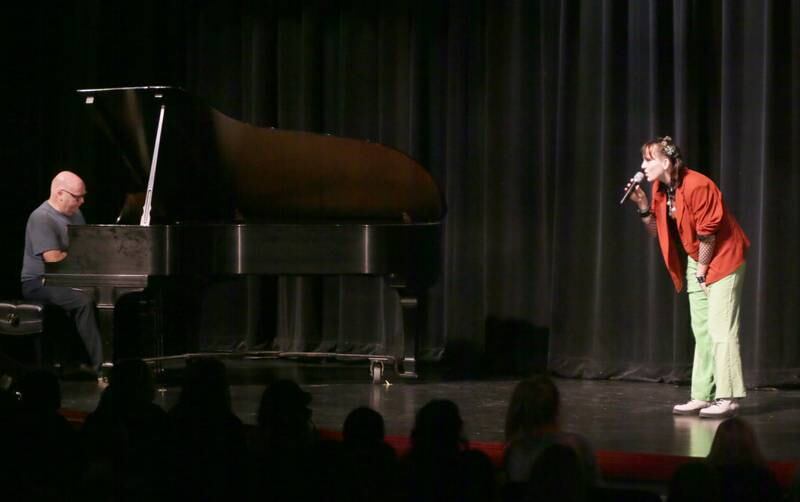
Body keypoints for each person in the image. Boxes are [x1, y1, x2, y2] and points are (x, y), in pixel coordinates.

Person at [627, 136, 749, 418]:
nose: (643, 165)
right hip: (698, 259)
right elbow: (657, 231)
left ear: (666, 162)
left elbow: (708, 235)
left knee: (721, 329)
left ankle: (728, 397)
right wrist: (643, 205)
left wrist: (702, 271)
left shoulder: (698, 185)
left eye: (648, 159)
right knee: (702, 330)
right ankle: (702, 395)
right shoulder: (660, 188)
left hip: (723, 256)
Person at [20, 171, 103, 373]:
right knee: (83, 301)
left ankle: (95, 360)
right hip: (39, 282)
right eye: (77, 197)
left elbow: (85, 248)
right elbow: (54, 260)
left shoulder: (76, 214)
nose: (82, 201)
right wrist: (80, 256)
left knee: (105, 295)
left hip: (66, 279)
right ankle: (100, 365)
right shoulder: (41, 218)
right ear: (59, 194)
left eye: (83, 196)